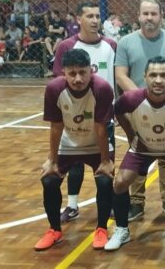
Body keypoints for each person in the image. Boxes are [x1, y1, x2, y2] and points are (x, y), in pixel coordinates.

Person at [105, 57, 165, 251]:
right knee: (119, 183)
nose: (158, 80)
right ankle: (122, 230)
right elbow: (117, 111)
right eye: (153, 75)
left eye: (163, 75)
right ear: (145, 77)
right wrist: (131, 134)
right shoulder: (132, 98)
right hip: (143, 147)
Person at [34, 49, 115, 251]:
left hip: (96, 143)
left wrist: (106, 161)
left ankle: (102, 228)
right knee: (49, 180)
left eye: (82, 72)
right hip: (68, 143)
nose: (78, 78)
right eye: (72, 73)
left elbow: (101, 128)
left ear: (91, 70)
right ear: (63, 72)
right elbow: (55, 126)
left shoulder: (102, 88)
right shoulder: (54, 89)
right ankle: (55, 230)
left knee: (105, 180)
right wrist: (52, 160)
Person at [114, 0, 165, 220]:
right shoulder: (125, 42)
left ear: (161, 17)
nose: (149, 18)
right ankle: (136, 203)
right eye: (145, 14)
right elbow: (120, 74)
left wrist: (164, 98)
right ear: (138, 16)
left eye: (154, 14)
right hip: (137, 109)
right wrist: (140, 99)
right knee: (139, 150)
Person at [51, 2, 117, 224]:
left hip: (103, 115)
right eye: (89, 16)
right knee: (75, 163)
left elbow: (115, 78)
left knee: (106, 163)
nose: (95, 20)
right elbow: (59, 81)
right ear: (78, 19)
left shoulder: (111, 45)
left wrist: (114, 110)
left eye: (98, 16)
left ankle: (107, 207)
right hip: (74, 114)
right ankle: (71, 205)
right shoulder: (66, 46)